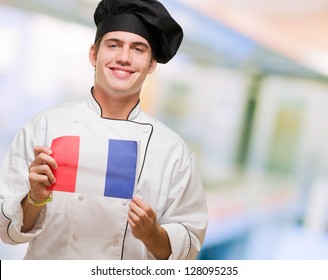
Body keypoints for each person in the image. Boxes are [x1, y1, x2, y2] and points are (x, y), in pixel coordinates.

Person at [0, 0, 208, 260]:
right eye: (113, 45)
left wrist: (152, 234)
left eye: (138, 49)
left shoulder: (172, 151)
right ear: (93, 54)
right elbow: (6, 230)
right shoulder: (44, 127)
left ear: (152, 64)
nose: (123, 57)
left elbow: (189, 247)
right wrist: (34, 199)